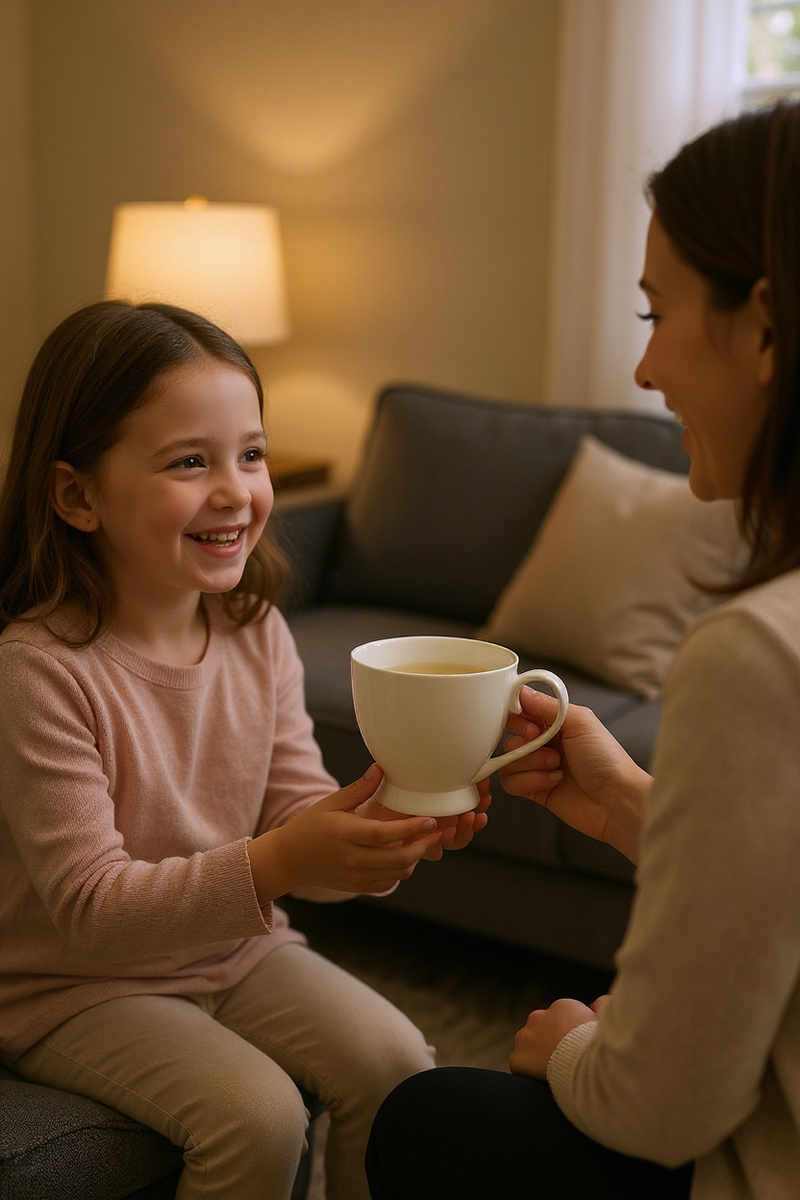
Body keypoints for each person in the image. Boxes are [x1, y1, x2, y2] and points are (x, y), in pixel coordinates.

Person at [365, 100, 800, 1200]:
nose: (645, 371)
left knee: (424, 1117)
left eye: (657, 314)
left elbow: (661, 1108)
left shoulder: (756, 652)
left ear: (761, 327)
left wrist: (568, 1044)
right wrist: (624, 809)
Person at [0, 300, 490, 1200]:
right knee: (258, 1116)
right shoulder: (39, 669)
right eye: (191, 461)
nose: (236, 490)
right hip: (73, 986)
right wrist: (278, 863)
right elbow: (91, 910)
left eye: (252, 454)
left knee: (399, 1066)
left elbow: (299, 818)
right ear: (77, 495)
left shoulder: (255, 629)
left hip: (232, 951)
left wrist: (378, 840)